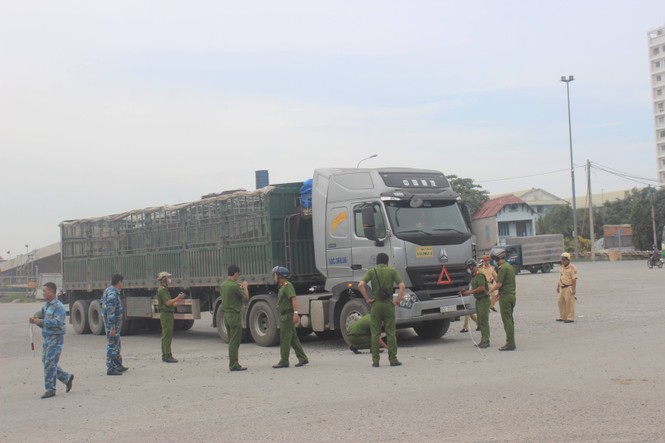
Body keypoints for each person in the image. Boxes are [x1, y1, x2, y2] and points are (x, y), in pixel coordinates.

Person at [358, 252, 406, 367]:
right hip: (388, 305)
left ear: (377, 262)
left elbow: (360, 285)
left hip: (376, 304)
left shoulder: (371, 271)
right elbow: (402, 286)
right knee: (390, 332)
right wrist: (397, 301)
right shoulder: (392, 271)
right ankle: (393, 359)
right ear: (387, 261)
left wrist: (367, 299)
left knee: (375, 333)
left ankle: (375, 361)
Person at [29, 282, 74, 399]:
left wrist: (42, 322)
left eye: (45, 291)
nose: (43, 293)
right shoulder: (46, 306)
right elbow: (43, 319)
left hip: (55, 338)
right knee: (46, 361)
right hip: (47, 338)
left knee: (50, 363)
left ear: (51, 292)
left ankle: (50, 389)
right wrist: (35, 320)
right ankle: (66, 377)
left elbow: (58, 323)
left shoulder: (59, 306)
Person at [271, 266, 309, 368]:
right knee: (293, 339)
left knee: (284, 339)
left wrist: (296, 313)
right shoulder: (282, 286)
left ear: (280, 276)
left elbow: (293, 299)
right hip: (285, 314)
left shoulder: (287, 286)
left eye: (275, 275)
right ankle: (303, 358)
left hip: (287, 316)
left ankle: (284, 361)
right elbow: (286, 300)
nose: (273, 277)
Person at [220, 264, 250, 371]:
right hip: (234, 315)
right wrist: (245, 287)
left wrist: (240, 287)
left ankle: (233, 362)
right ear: (236, 273)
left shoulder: (223, 285)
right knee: (235, 341)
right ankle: (234, 364)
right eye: (238, 274)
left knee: (231, 340)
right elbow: (246, 297)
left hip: (226, 315)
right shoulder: (233, 286)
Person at [490, 248, 516, 351]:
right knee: (510, 320)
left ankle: (510, 344)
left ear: (500, 258)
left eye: (496, 259)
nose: (495, 261)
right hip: (512, 296)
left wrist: (490, 291)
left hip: (505, 297)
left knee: (507, 321)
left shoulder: (502, 268)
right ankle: (511, 341)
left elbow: (499, 284)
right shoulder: (509, 267)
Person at [101, 273, 128, 375]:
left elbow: (101, 304)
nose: (122, 284)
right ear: (119, 282)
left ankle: (117, 364)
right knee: (112, 345)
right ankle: (110, 368)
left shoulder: (108, 290)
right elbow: (110, 311)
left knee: (117, 344)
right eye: (122, 282)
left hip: (114, 325)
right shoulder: (112, 294)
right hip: (112, 325)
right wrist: (112, 327)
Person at [460, 259, 490, 348]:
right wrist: (466, 292)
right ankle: (483, 339)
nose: (468, 269)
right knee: (480, 321)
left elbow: (481, 288)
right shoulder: (474, 276)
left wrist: (469, 292)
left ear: (472, 266)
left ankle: (486, 340)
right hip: (479, 300)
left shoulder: (479, 275)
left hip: (483, 300)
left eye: (469, 267)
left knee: (484, 321)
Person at [156, 272, 185, 363]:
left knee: (167, 334)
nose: (169, 279)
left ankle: (165, 354)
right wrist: (178, 297)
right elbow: (168, 303)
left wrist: (177, 303)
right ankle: (167, 355)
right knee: (167, 335)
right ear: (164, 279)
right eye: (168, 278)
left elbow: (170, 304)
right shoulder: (161, 290)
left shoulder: (164, 289)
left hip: (168, 313)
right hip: (166, 315)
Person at [556, 252, 578, 323]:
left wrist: (574, 289)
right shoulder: (562, 267)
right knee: (560, 302)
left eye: (564, 259)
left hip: (569, 287)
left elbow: (574, 279)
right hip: (562, 287)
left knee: (569, 303)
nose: (562, 261)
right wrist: (558, 286)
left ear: (568, 260)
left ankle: (570, 318)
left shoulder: (572, 268)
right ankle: (563, 317)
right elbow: (561, 277)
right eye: (562, 259)